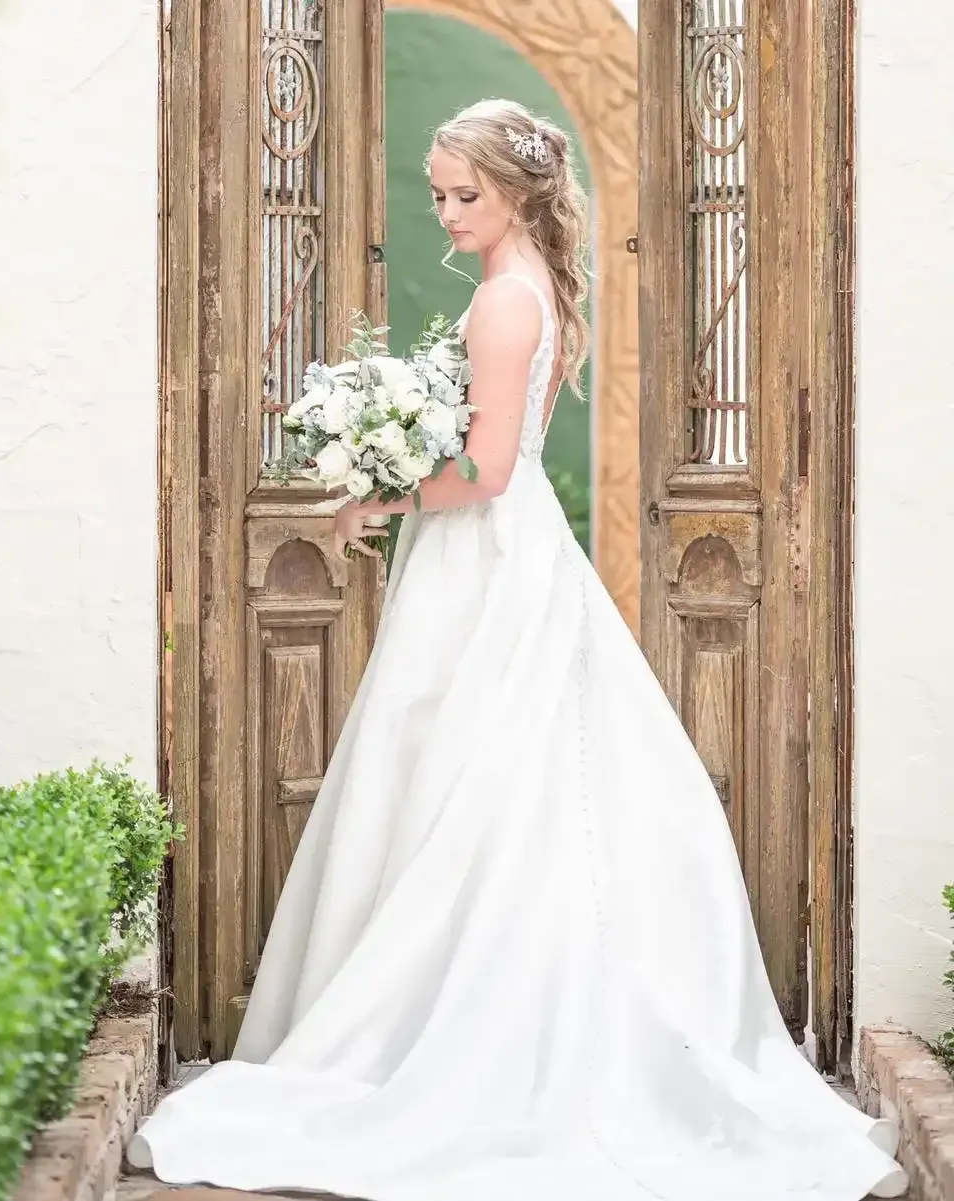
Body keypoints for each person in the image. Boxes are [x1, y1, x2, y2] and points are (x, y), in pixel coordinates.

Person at [128, 99, 908, 1201]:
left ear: (519, 191)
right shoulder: (526, 281)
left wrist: (379, 494)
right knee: (501, 774)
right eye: (440, 193)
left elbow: (486, 473)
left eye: (467, 194)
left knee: (479, 773)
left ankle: (480, 1032)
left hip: (488, 556)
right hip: (509, 550)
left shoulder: (503, 300)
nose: (447, 212)